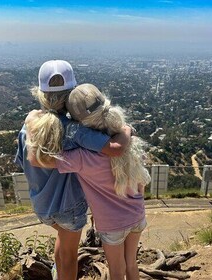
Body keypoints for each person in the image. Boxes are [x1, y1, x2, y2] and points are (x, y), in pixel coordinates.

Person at [15, 61, 131, 280]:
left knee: (63, 238)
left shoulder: (27, 127)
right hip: (69, 206)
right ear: (71, 96)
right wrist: (126, 130)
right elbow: (114, 149)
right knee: (69, 258)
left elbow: (24, 162)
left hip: (41, 205)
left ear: (40, 94)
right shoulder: (75, 131)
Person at [27, 83, 151, 280]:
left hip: (112, 224)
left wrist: (30, 125)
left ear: (78, 122)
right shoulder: (128, 141)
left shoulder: (82, 158)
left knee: (117, 271)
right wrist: (126, 131)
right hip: (137, 214)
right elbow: (142, 180)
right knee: (131, 265)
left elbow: (36, 159)